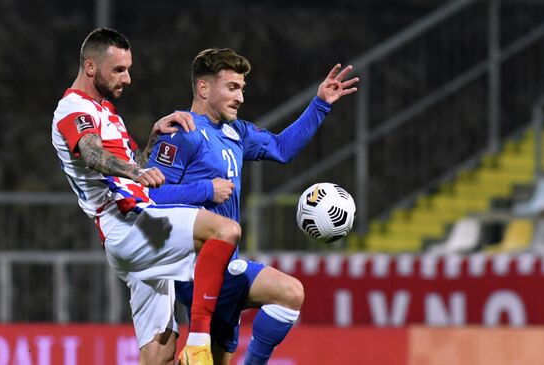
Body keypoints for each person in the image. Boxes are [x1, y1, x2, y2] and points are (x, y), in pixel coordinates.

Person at [147, 48, 359, 364]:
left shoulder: (237, 132)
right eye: (232, 87)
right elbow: (151, 198)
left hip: (225, 266)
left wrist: (320, 105)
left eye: (242, 89)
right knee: (289, 293)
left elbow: (282, 149)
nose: (241, 97)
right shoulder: (182, 133)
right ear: (204, 89)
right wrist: (206, 189)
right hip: (193, 271)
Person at [52, 28, 240, 365]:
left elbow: (130, 166)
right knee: (225, 231)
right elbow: (92, 154)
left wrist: (152, 140)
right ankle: (200, 341)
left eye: (128, 68)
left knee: (161, 354)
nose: (128, 78)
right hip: (131, 226)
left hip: (138, 232)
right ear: (91, 67)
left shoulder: (107, 113)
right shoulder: (73, 108)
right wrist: (137, 173)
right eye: (119, 70)